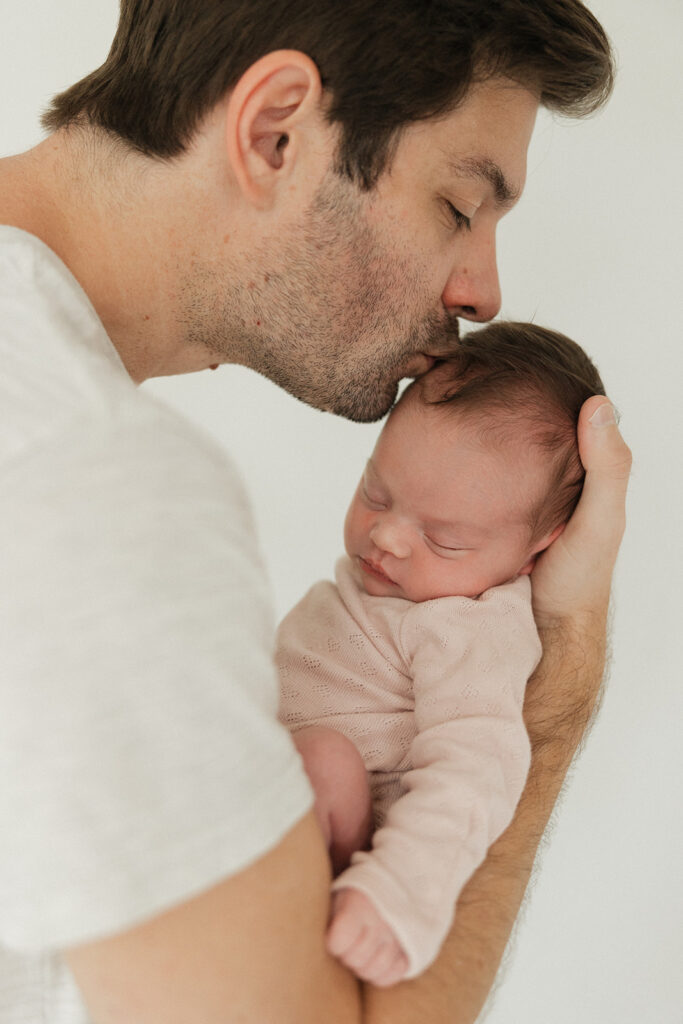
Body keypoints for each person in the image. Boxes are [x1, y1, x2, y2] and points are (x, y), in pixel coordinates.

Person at [0, 2, 631, 1022]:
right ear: (276, 132)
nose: (482, 290)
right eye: (457, 205)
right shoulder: (89, 472)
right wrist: (554, 686)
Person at [277, 321, 605, 988]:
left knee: (326, 764)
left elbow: (475, 770)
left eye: (445, 540)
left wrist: (395, 894)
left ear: (535, 551)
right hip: (258, 785)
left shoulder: (471, 626)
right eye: (376, 493)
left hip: (342, 839)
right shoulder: (394, 584)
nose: (388, 536)